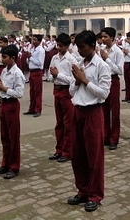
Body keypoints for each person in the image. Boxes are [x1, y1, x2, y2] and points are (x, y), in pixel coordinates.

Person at [66, 30, 111, 213]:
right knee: (77, 154)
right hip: (78, 111)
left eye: (82, 47)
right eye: (78, 47)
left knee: (94, 156)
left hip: (93, 112)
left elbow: (104, 93)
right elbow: (70, 92)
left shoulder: (102, 66)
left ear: (93, 46)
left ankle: (95, 195)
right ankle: (82, 190)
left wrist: (85, 81)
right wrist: (76, 82)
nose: (79, 51)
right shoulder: (78, 63)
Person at [0, 44, 25, 179]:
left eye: (5, 57)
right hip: (3, 104)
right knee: (4, 136)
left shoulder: (17, 73)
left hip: (12, 105)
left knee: (13, 137)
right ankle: (5, 163)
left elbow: (19, 93)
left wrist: (3, 88)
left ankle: (14, 166)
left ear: (13, 58)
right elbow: (3, 87)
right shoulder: (4, 71)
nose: (2, 59)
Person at [48, 33, 75, 163]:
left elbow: (73, 80)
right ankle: (58, 149)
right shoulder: (54, 58)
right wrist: (53, 76)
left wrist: (58, 75)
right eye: (57, 45)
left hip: (67, 92)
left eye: (61, 46)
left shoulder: (71, 60)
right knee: (59, 123)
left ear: (67, 46)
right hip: (57, 90)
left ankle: (67, 151)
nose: (58, 48)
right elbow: (49, 76)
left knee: (68, 123)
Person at [99, 27, 124, 150]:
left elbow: (120, 70)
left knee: (114, 111)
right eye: (102, 36)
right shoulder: (102, 50)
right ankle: (105, 136)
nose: (103, 39)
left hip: (113, 80)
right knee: (104, 109)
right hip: (103, 81)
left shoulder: (117, 51)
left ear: (112, 38)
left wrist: (107, 59)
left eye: (105, 37)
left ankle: (114, 138)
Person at [25, 34, 45, 117]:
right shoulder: (33, 49)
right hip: (32, 71)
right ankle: (32, 108)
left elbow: (40, 63)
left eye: (35, 40)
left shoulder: (41, 50)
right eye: (33, 39)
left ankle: (38, 109)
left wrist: (31, 58)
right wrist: (28, 59)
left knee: (37, 92)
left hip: (37, 71)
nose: (33, 41)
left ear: (39, 41)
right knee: (32, 91)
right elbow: (29, 61)